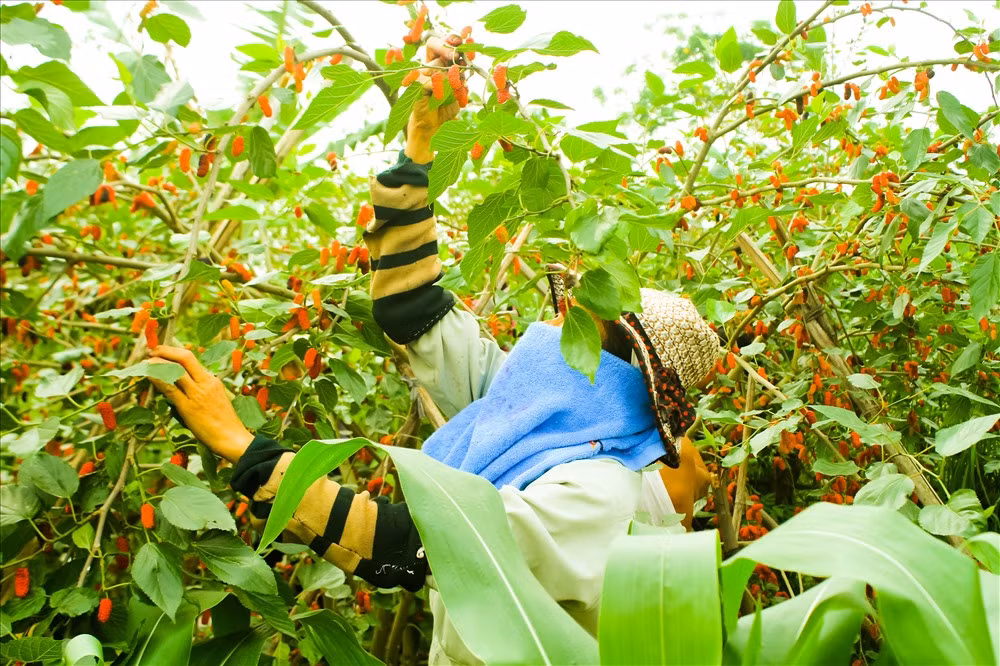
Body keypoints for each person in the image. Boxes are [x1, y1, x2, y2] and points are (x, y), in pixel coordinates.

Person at [149, 38, 718, 665]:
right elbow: (411, 309)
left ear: (608, 365)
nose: (552, 322)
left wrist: (242, 445)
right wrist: (421, 143)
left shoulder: (595, 496)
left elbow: (408, 547)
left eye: (572, 321)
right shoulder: (536, 414)